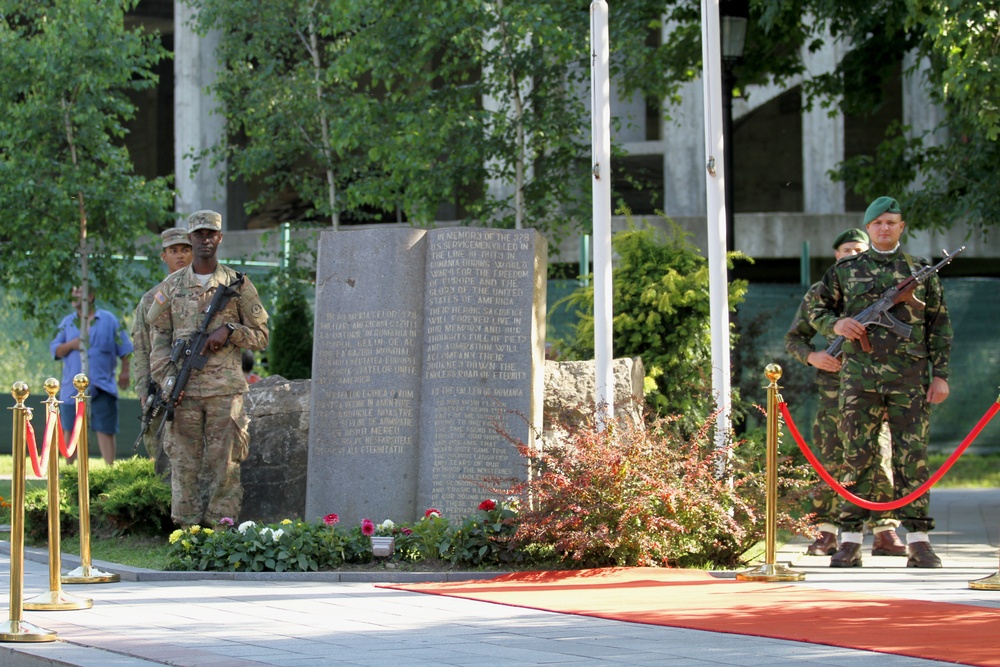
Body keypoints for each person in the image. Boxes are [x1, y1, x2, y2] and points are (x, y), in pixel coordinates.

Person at [810, 196, 952, 569]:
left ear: (901, 227)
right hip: (858, 381)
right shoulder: (846, 269)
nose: (885, 228)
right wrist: (836, 325)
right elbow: (817, 309)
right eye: (878, 223)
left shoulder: (921, 270)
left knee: (913, 460)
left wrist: (941, 376)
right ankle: (851, 540)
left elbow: (939, 326)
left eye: (892, 222)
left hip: (910, 382)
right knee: (856, 457)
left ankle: (919, 541)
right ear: (869, 228)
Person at [785, 228, 905, 558]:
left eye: (859, 249)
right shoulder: (820, 293)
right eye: (846, 250)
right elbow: (794, 338)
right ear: (837, 256)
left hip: (875, 387)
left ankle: (884, 532)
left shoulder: (883, 290)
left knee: (879, 456)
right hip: (834, 391)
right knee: (831, 457)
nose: (852, 254)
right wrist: (814, 358)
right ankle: (826, 532)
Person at [148, 210, 269, 527]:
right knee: (184, 462)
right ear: (189, 239)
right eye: (198, 234)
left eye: (210, 234)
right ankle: (186, 534)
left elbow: (262, 336)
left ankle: (221, 530)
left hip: (224, 392)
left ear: (219, 238)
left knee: (224, 464)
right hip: (183, 391)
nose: (204, 240)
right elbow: (158, 336)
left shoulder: (237, 285)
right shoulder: (172, 287)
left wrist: (230, 331)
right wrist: (166, 381)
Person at [131, 227, 194, 473]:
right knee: (161, 457)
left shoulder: (207, 293)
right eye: (174, 250)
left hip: (199, 388)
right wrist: (143, 391)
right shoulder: (151, 300)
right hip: (162, 390)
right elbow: (141, 348)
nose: (180, 256)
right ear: (163, 256)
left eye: (186, 250)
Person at [50, 285, 133, 465]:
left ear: (92, 296)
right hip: (71, 390)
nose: (76, 296)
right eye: (73, 292)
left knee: (106, 430)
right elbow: (55, 349)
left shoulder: (109, 320)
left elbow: (126, 349)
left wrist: (125, 372)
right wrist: (72, 344)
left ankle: (110, 472)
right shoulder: (67, 323)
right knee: (70, 431)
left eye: (80, 292)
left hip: (102, 386)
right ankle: (68, 473)